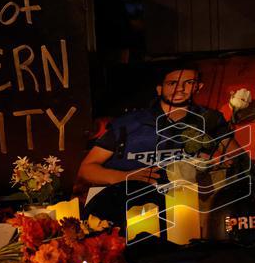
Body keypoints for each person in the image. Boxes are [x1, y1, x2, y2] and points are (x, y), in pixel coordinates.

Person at [78, 64, 239, 187]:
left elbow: (238, 159)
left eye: (189, 82)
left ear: (198, 87)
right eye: (172, 83)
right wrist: (126, 176)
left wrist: (221, 165)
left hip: (189, 204)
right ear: (159, 89)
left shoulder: (210, 120)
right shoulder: (129, 123)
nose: (180, 89)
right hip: (132, 203)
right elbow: (86, 169)